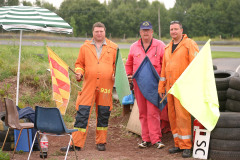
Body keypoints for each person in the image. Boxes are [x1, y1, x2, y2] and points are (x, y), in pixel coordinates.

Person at [61, 22, 118, 152]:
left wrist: (115, 74)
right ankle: (76, 143)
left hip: (105, 88)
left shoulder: (114, 48)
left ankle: (101, 142)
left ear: (105, 32)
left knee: (103, 114)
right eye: (96, 31)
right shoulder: (85, 47)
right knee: (82, 114)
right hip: (88, 86)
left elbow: (117, 66)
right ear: (92, 32)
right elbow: (79, 64)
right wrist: (79, 72)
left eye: (101, 31)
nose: (99, 34)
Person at [125, 21, 170, 149]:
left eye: (148, 30)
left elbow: (165, 65)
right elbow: (129, 64)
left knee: (153, 112)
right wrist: (128, 75)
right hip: (138, 85)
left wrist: (163, 83)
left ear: (152, 32)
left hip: (154, 85)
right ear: (140, 32)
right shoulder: (134, 46)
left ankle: (156, 139)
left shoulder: (160, 45)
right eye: (143, 30)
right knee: (142, 113)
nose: (145, 32)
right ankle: (146, 139)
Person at [158, 21, 199, 158]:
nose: (173, 31)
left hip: (183, 89)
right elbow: (164, 69)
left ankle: (186, 145)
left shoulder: (189, 44)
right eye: (171, 29)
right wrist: (161, 86)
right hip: (170, 89)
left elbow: (196, 65)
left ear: (182, 30)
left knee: (183, 117)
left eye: (176, 29)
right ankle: (178, 144)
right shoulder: (167, 47)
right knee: (173, 117)